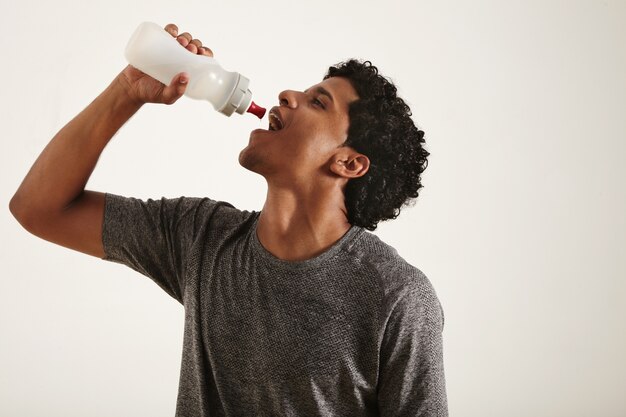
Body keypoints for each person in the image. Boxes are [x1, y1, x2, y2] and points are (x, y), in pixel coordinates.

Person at [10, 23, 448, 416]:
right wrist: (127, 92)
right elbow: (38, 208)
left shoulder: (397, 298)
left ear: (349, 163)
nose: (286, 96)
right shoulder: (201, 235)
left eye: (318, 102)